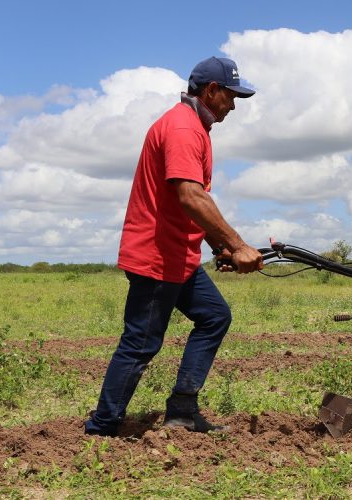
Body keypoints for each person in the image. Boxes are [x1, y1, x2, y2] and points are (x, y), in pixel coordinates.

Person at [84, 57, 263, 436]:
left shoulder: (194, 127)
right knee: (141, 343)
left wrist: (220, 247)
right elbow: (190, 197)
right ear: (211, 91)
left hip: (179, 255)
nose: (233, 105)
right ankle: (102, 428)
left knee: (214, 316)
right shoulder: (183, 128)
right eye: (231, 97)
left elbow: (192, 206)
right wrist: (238, 244)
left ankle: (182, 408)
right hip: (157, 256)